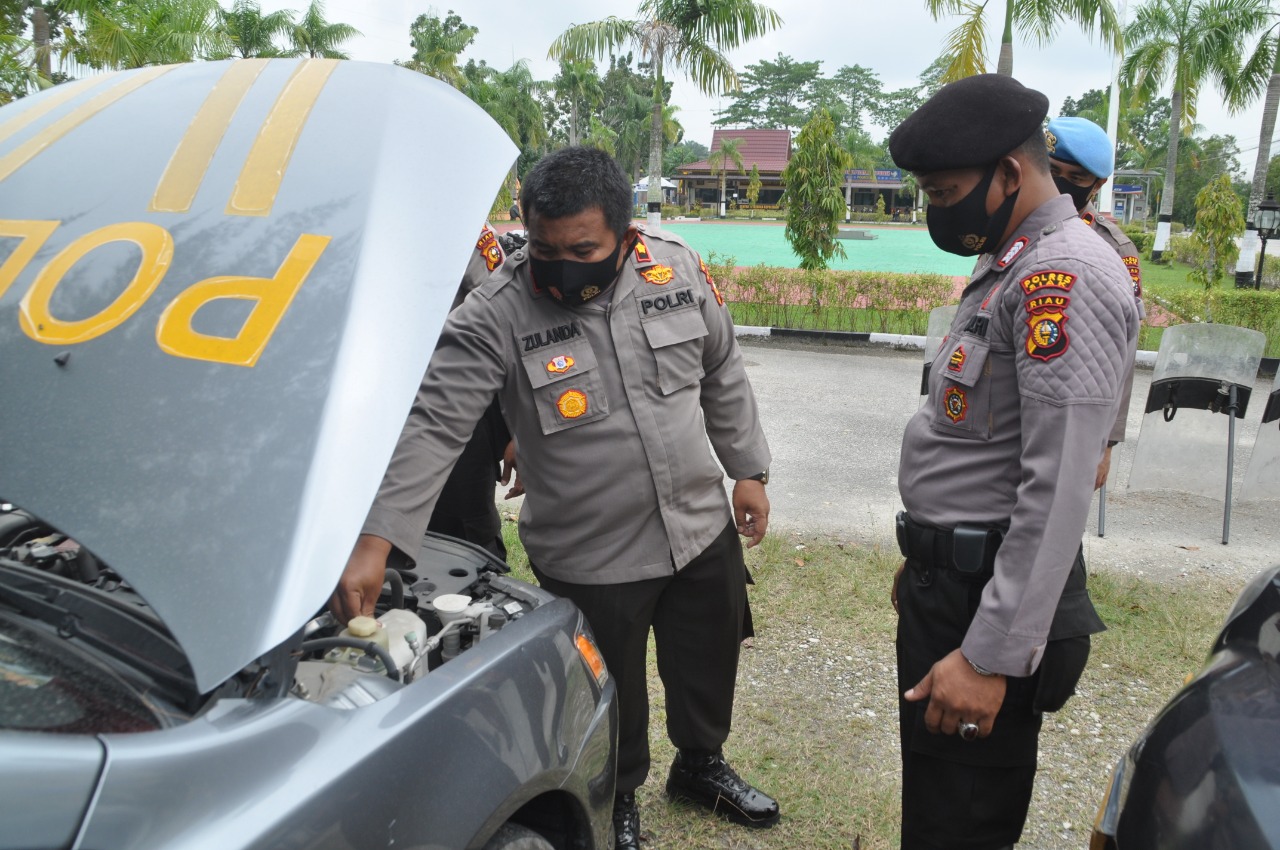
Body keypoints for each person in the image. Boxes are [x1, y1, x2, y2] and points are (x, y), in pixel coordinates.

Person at [331, 146, 779, 849]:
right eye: (545, 249)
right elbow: (436, 424)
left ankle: (701, 763)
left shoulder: (673, 268)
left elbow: (721, 366)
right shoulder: (497, 310)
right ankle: (619, 793)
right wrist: (376, 539)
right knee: (609, 684)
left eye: (583, 250)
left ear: (626, 235)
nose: (562, 267)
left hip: (697, 524)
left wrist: (747, 468)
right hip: (592, 549)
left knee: (707, 656)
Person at [886, 75, 1140, 850]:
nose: (937, 209)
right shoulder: (1014, 260)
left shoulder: (1066, 277)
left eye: (945, 191)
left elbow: (1058, 488)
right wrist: (927, 559)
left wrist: (990, 656)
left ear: (1008, 173)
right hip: (955, 584)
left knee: (960, 821)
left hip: (984, 603)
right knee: (936, 807)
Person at [1044, 116, 1146, 489]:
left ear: (1098, 184)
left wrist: (1108, 442)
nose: (1061, 183)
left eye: (1076, 177)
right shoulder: (1009, 230)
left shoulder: (1114, 249)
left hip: (1073, 408)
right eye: (1053, 171)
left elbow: (1124, 353)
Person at [424, 224, 513, 560]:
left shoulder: (459, 222)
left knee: (467, 531)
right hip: (371, 410)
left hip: (453, 405)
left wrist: (517, 427)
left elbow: (506, 315)